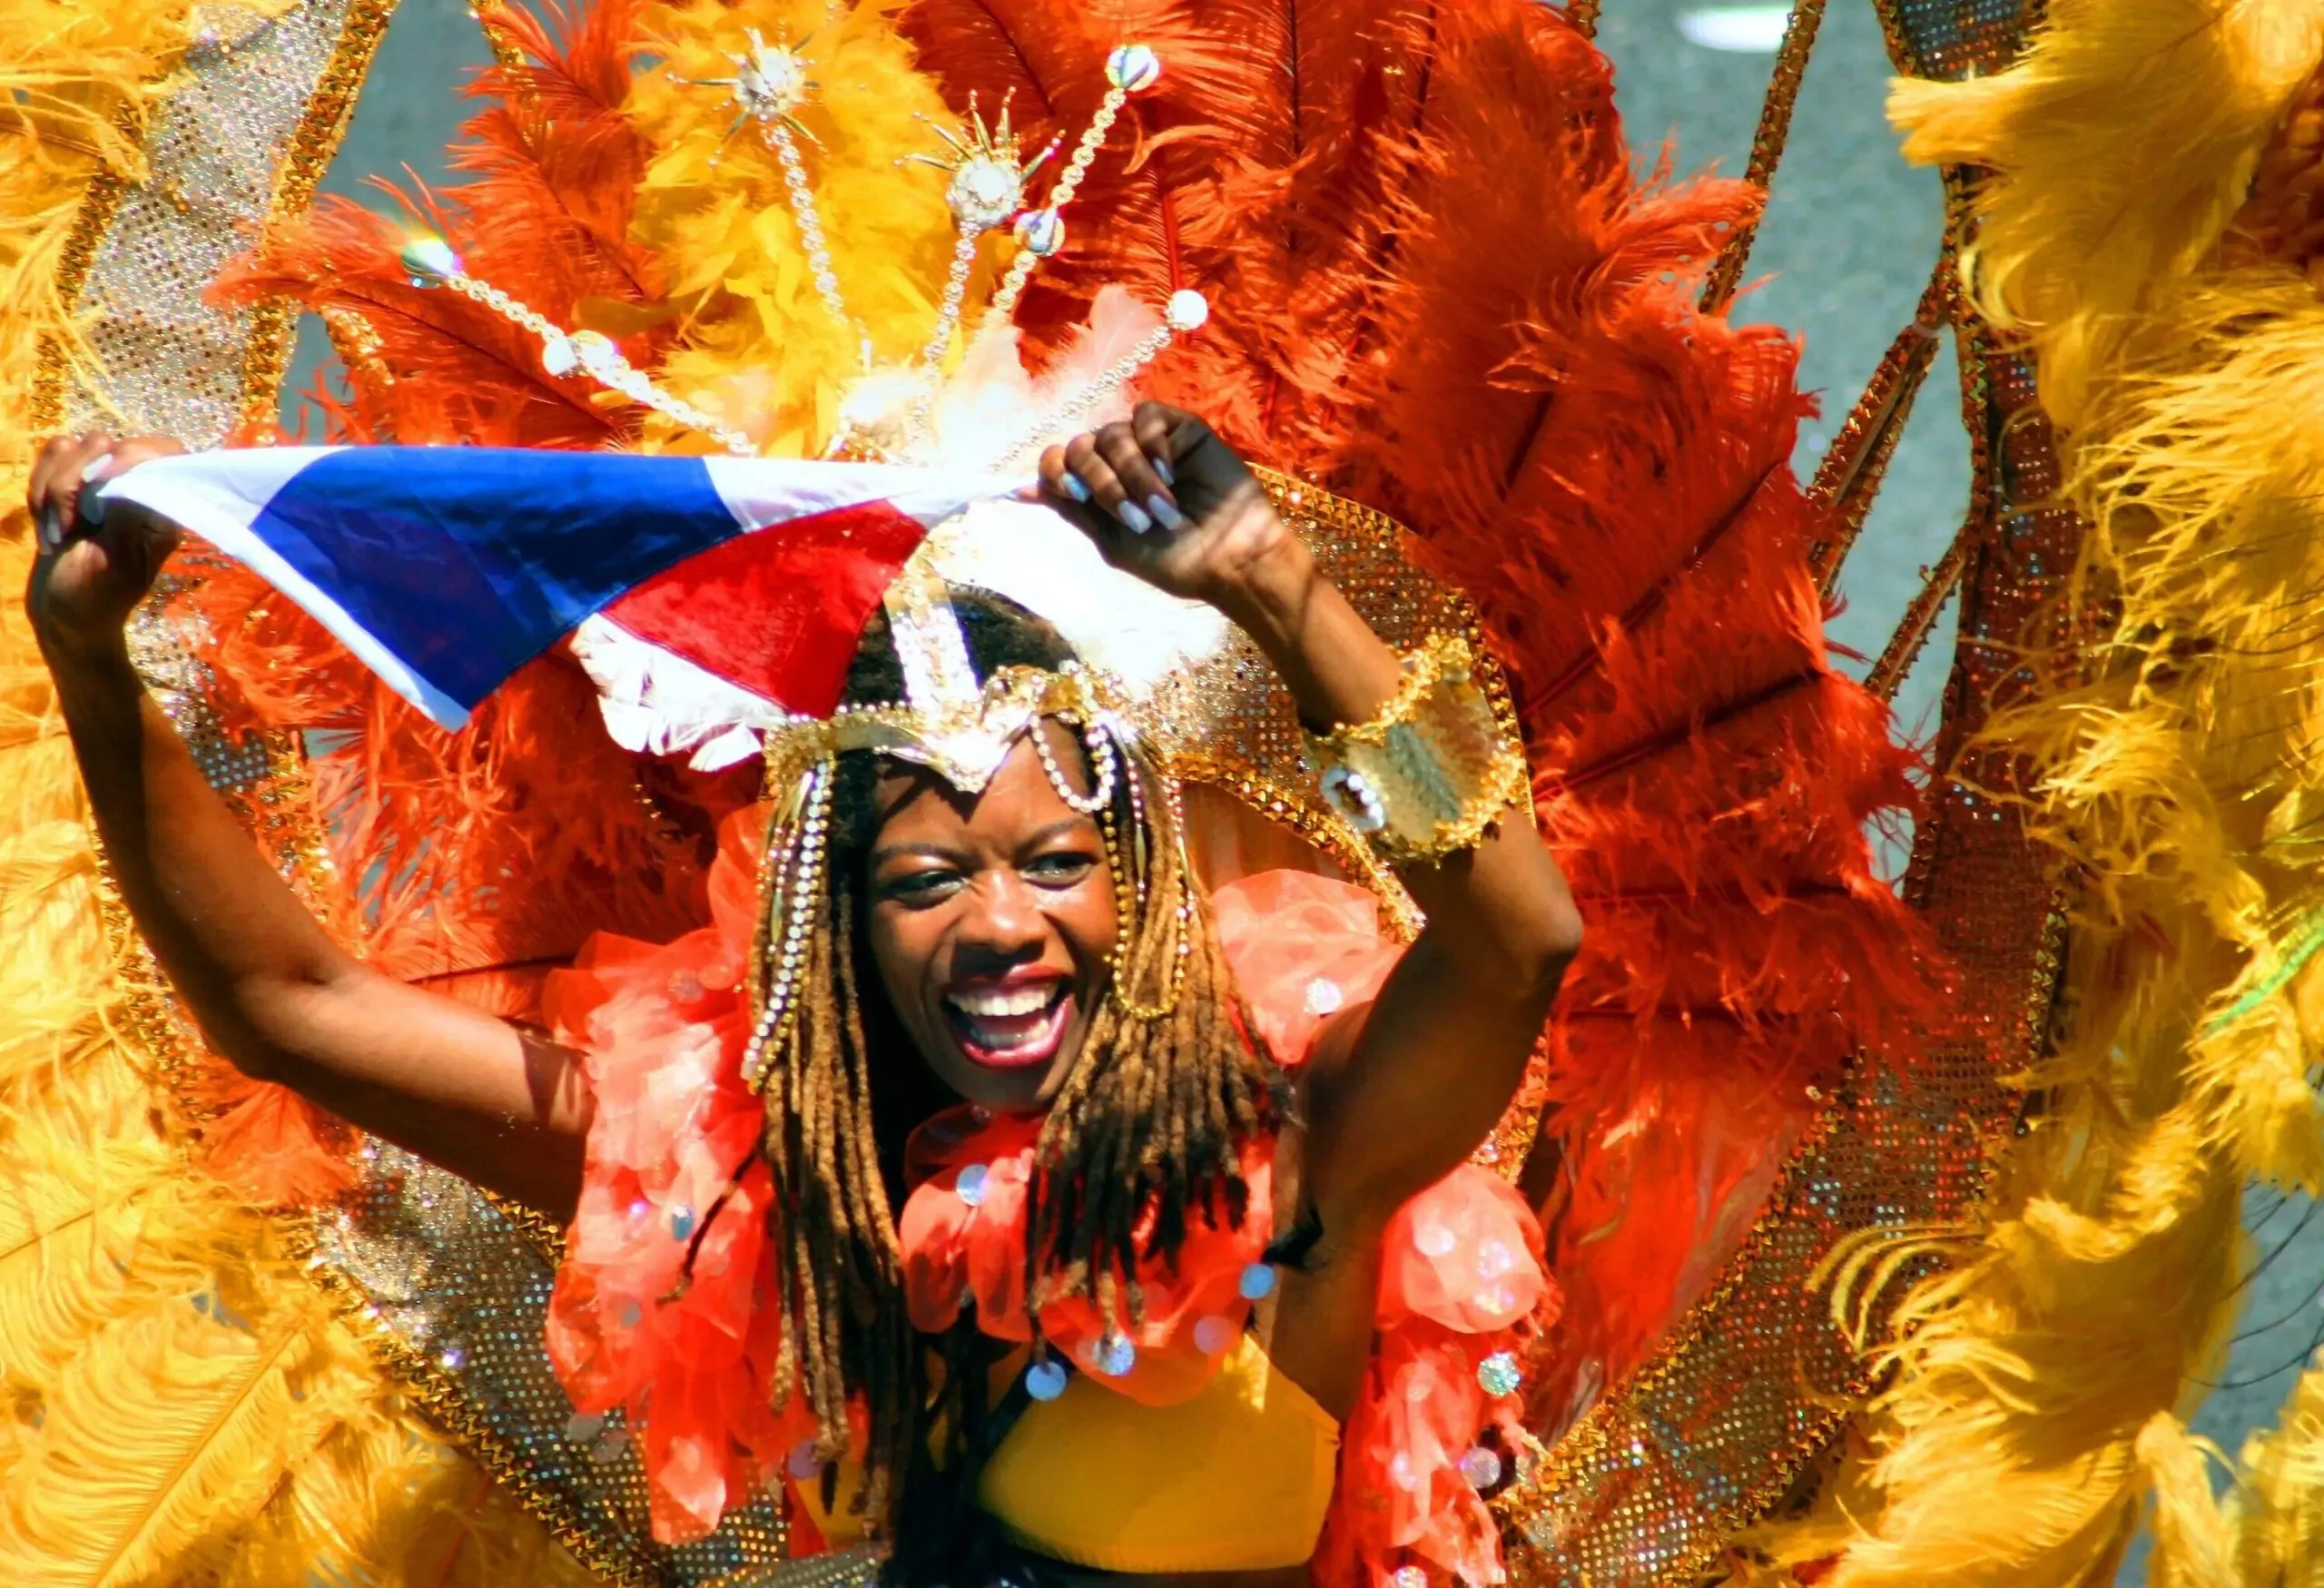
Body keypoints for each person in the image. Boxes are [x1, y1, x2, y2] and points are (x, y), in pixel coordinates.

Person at [26, 401, 1581, 1584]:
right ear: (840, 933)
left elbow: (1518, 937)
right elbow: (290, 1008)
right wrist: (96, 662)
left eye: (1053, 864)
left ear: (1142, 889)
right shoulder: (764, 1173)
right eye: (921, 883)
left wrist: (1271, 582)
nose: (997, 928)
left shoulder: (1302, 1153)